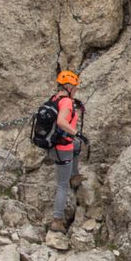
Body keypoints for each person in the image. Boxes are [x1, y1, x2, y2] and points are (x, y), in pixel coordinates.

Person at [48, 69, 85, 233]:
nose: (76, 89)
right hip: (62, 148)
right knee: (62, 185)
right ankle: (57, 220)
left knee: (77, 145)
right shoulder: (67, 103)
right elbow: (62, 121)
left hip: (52, 145)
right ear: (68, 86)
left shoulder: (55, 98)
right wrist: (76, 133)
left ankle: (74, 176)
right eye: (75, 87)